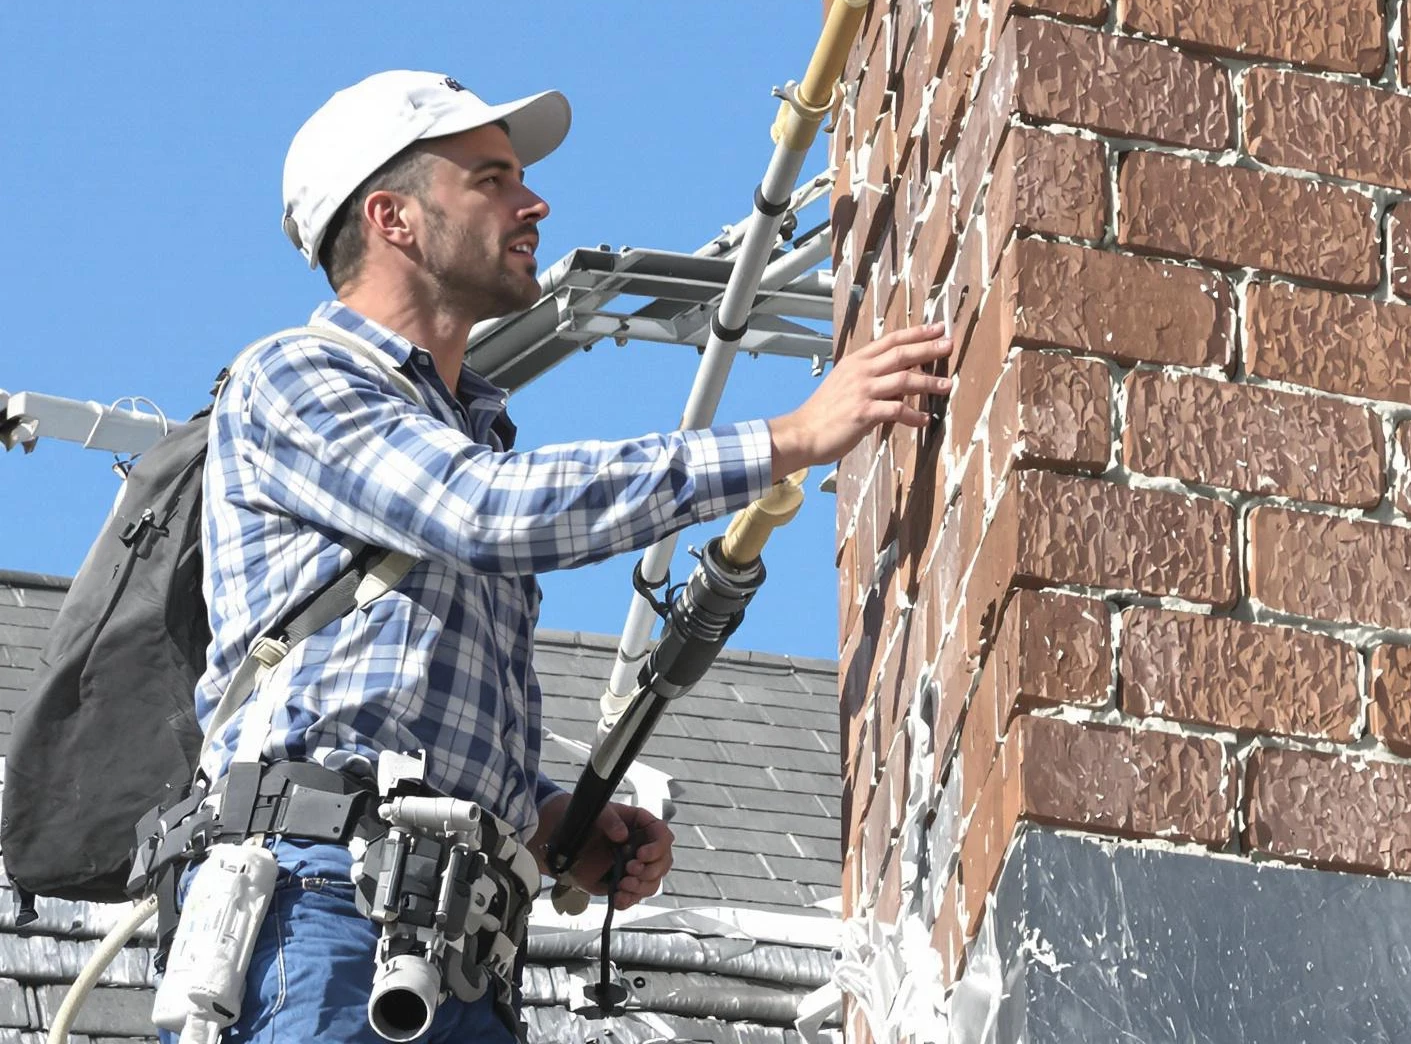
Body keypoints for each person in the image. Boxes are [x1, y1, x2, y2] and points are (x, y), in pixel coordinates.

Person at [188, 70, 947, 1044]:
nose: (534, 202)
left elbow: (403, 699)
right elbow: (482, 513)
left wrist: (546, 820)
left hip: (450, 952)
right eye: (492, 179)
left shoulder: (468, 427)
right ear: (392, 217)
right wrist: (788, 438)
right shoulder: (296, 377)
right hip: (321, 914)